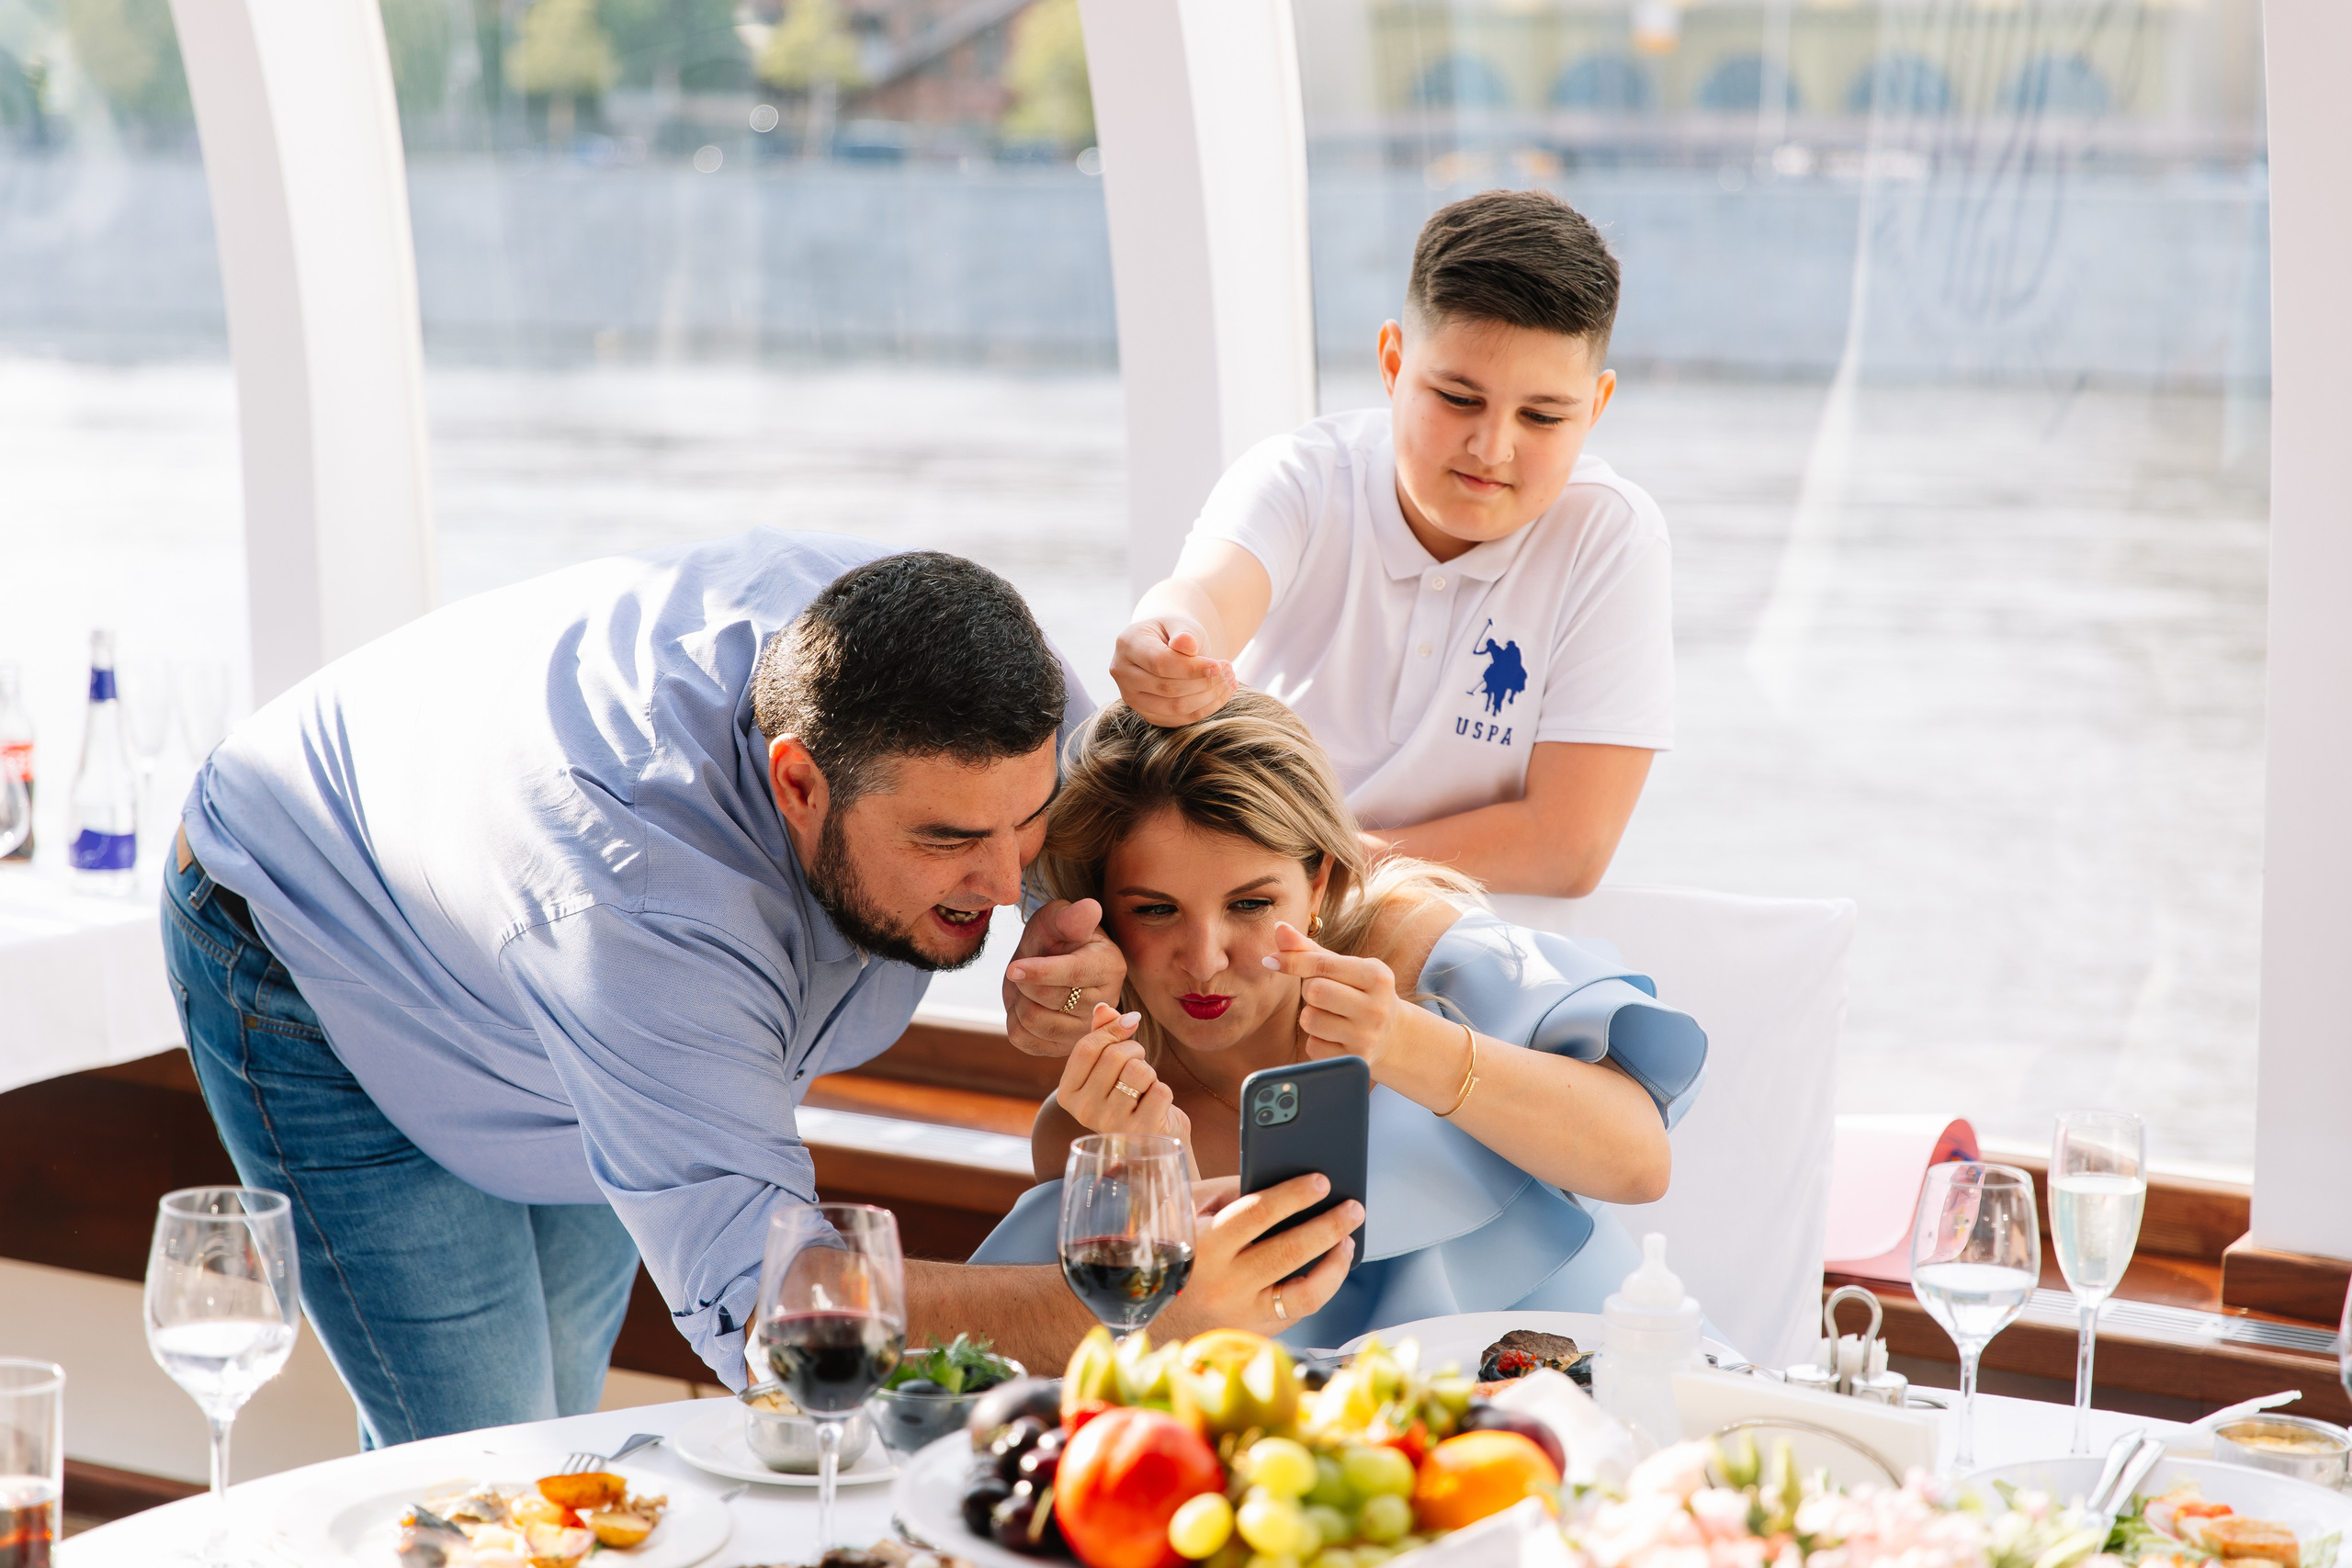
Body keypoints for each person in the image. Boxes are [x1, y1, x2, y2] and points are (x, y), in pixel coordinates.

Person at [163, 534, 1359, 1444]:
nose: (1004, 882)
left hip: (529, 918)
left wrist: (1065, 919)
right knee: (487, 1452)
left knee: (565, 1419)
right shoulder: (642, 920)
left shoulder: (981, 686)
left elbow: (1143, 838)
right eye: (951, 841)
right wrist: (1142, 1309)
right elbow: (773, 1318)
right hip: (312, 939)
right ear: (798, 784)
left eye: (1028, 823)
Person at [969, 693, 1708, 1346]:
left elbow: (1641, 1163)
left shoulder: (1416, 948)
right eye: (1156, 910)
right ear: (1104, 905)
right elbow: (1187, 1354)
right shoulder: (1104, 1111)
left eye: (1250, 904)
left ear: (1319, 877)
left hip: (1607, 1377)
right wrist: (1163, 1173)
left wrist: (1404, 1042)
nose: (1204, 959)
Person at [1109, 188, 1673, 897]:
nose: (1492, 447)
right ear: (1393, 361)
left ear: (1595, 407)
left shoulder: (1611, 536)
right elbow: (1206, 596)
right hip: (1252, 927)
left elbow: (1568, 846)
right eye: (1459, 398)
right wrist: (1166, 638)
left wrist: (1314, 872)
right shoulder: (1303, 477)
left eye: (1542, 416)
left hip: (1424, 935)